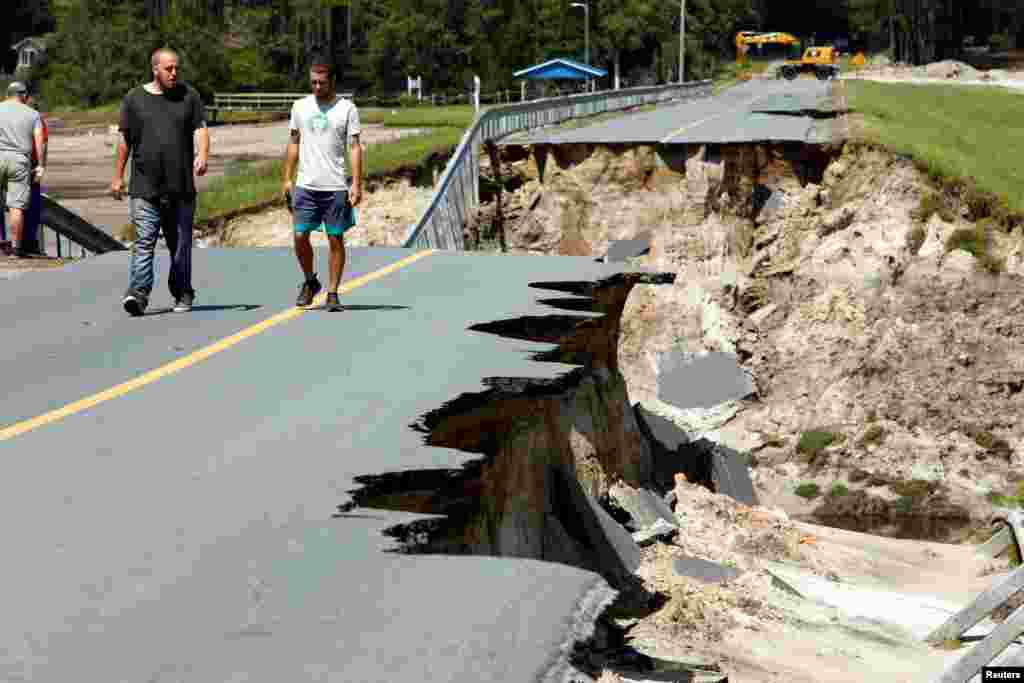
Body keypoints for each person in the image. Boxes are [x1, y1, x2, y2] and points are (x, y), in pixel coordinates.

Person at [112, 47, 209, 316]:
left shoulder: (188, 96)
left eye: (176, 67)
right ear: (155, 69)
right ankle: (138, 295)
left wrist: (202, 154)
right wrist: (118, 176)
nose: (174, 73)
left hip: (181, 187)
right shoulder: (134, 99)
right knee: (144, 242)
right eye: (168, 68)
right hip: (144, 187)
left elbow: (200, 128)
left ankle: (182, 291)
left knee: (180, 245)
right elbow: (124, 140)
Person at [282, 53, 362, 311]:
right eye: (313, 82)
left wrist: (356, 183)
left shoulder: (347, 109)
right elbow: (293, 143)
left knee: (335, 238)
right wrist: (287, 179)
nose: (317, 87)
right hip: (306, 184)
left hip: (335, 185)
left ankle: (333, 292)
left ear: (333, 81)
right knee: (299, 235)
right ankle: (309, 281)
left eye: (321, 83)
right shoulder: (300, 107)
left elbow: (355, 147)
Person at [0, 81, 45, 257]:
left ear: (7, 94)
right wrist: (40, 165)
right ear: (24, 96)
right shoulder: (33, 114)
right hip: (20, 161)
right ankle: (16, 248)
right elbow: (39, 140)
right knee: (16, 206)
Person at [22, 91, 48, 255]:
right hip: (30, 166)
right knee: (32, 206)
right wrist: (41, 166)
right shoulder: (37, 120)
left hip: (11, 164)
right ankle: (30, 243)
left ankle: (13, 241)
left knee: (15, 205)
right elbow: (43, 145)